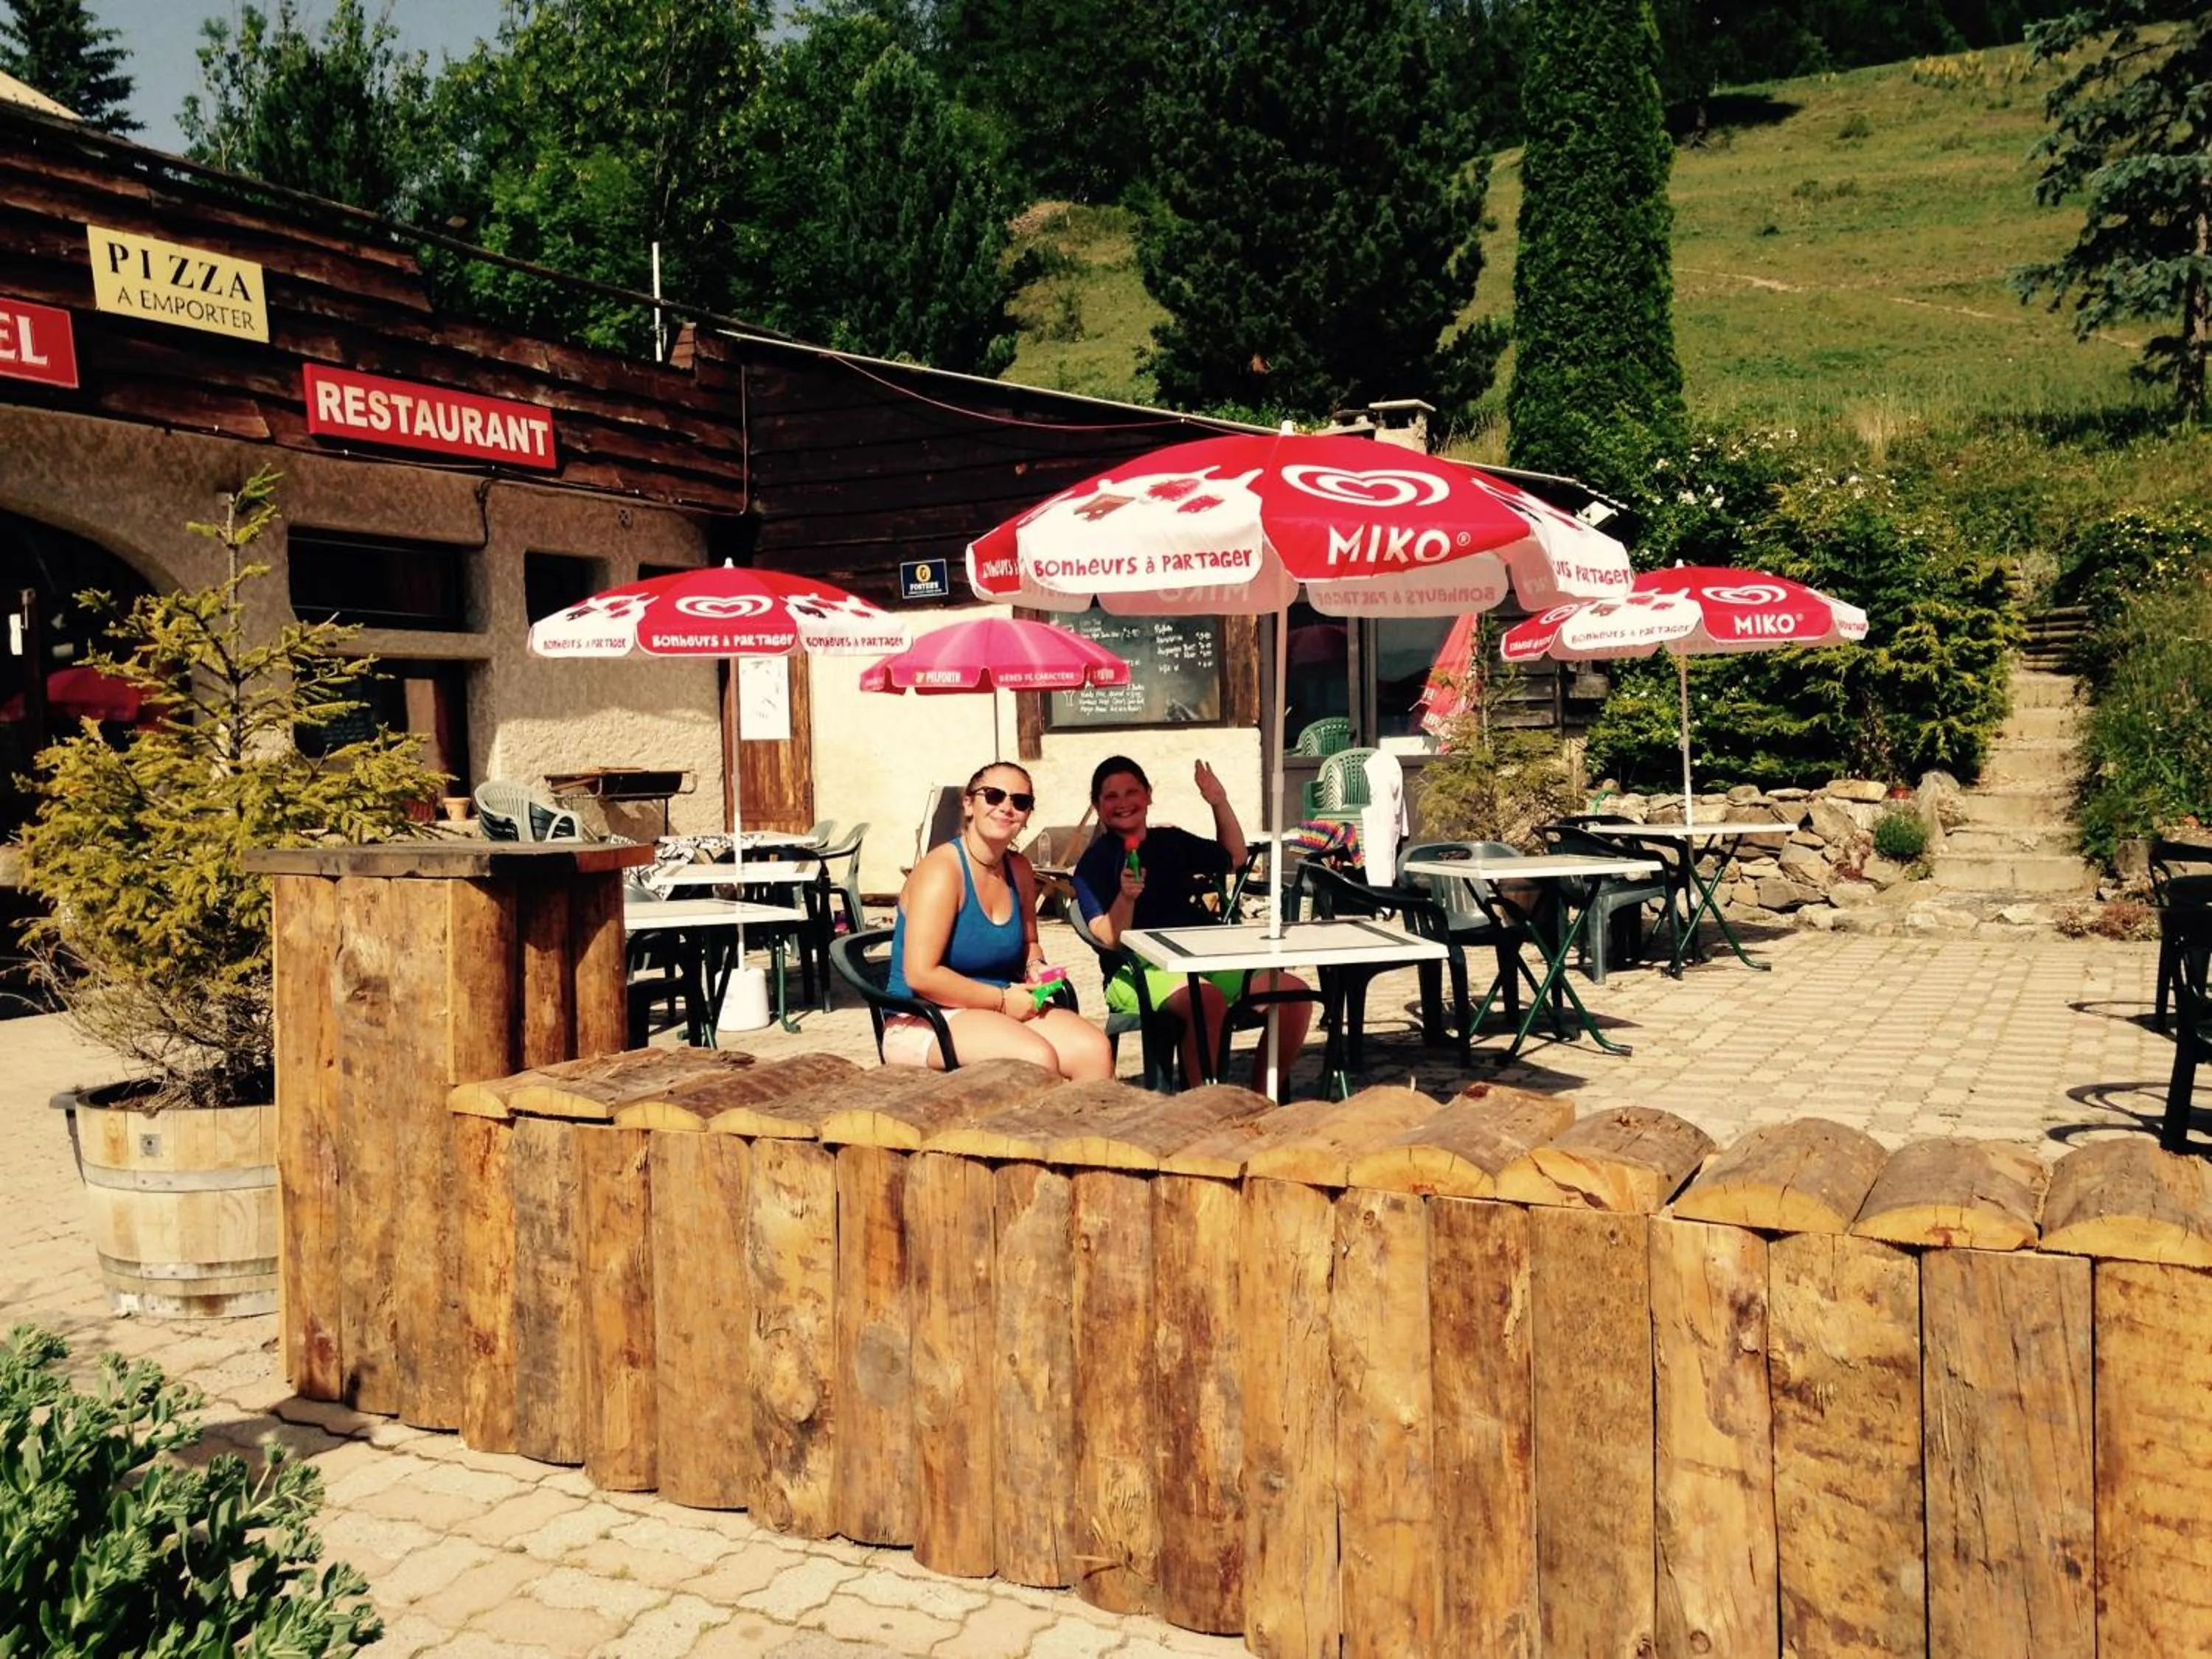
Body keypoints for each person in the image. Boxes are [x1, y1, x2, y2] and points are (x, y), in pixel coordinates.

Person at [1073, 755, 1312, 1090]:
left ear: (1148, 795)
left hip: (1199, 958)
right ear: (1098, 806)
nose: (1123, 803)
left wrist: (1218, 801)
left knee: (1293, 995)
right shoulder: (1094, 863)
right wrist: (1126, 898)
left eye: (1132, 792)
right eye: (1111, 796)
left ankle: (1263, 1096)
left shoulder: (1170, 841)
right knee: (1206, 999)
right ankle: (1204, 1102)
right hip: (1136, 971)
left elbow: (1236, 857)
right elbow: (1107, 936)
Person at [882, 761, 1113, 1079]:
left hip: (997, 1004)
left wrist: (1036, 968)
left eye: (1020, 801)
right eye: (993, 795)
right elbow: (922, 976)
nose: (1007, 807)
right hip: (924, 1015)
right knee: (1034, 1058)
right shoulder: (942, 871)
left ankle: (1091, 1115)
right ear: (968, 804)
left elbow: (1029, 943)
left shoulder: (1019, 870)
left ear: (1027, 815)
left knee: (1093, 1049)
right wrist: (1001, 1001)